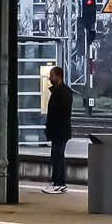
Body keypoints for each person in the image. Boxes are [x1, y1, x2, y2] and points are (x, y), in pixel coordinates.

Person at [43, 65, 75, 195]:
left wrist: (52, 126)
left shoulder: (63, 93)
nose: (50, 78)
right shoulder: (60, 92)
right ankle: (59, 182)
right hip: (59, 130)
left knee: (57, 157)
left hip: (60, 130)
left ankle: (58, 183)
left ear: (58, 76)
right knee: (58, 156)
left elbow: (62, 113)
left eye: (52, 76)